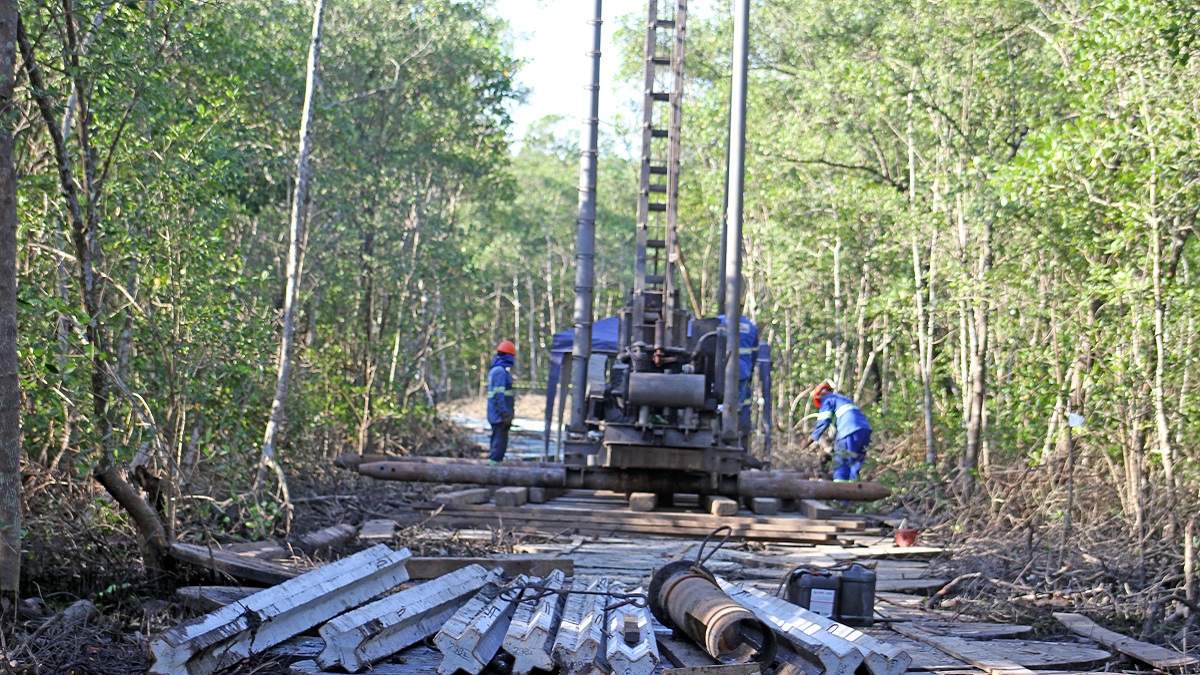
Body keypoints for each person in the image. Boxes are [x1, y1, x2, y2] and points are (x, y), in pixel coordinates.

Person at [810, 381, 872, 482]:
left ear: (820, 395)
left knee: (841, 464)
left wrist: (814, 437)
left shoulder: (828, 399)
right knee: (854, 465)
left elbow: (824, 420)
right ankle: (854, 494)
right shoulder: (844, 399)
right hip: (865, 431)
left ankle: (841, 495)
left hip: (849, 431)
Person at [718, 313, 759, 444]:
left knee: (720, 401)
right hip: (742, 371)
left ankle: (721, 432)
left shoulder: (719, 321)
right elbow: (754, 354)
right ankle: (735, 436)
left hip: (721, 370)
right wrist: (750, 370)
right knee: (738, 405)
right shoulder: (750, 327)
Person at [486, 340, 517, 465]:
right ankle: (492, 473)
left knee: (498, 444)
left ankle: (494, 469)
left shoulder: (497, 370)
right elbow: (499, 395)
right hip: (499, 417)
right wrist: (505, 414)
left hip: (497, 415)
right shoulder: (500, 372)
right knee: (499, 446)